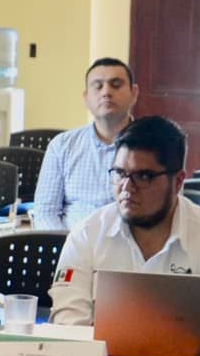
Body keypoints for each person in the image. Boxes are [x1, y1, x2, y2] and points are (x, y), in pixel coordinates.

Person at [46, 116, 200, 328]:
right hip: (97, 351)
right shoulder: (87, 234)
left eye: (144, 176)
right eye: (119, 173)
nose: (127, 187)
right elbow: (68, 326)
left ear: (178, 182)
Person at [30, 58, 139, 230]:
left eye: (116, 85)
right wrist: (66, 245)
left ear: (134, 93)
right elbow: (45, 212)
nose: (106, 92)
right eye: (98, 86)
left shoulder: (153, 146)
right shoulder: (61, 146)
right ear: (86, 97)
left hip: (130, 242)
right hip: (71, 242)